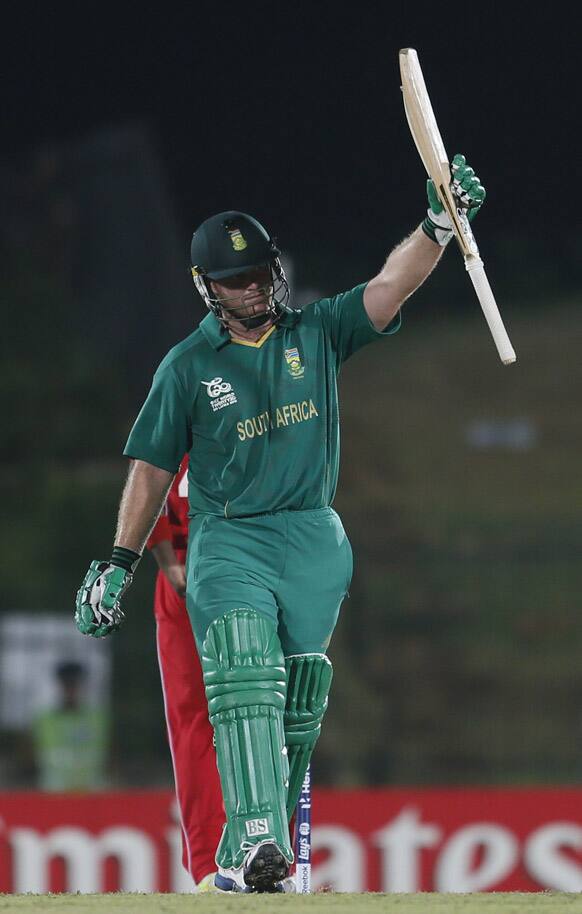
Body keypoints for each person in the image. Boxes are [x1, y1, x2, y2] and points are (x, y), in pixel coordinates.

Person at [75, 154, 485, 892]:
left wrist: (438, 226)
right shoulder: (187, 366)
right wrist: (117, 558)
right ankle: (260, 836)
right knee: (243, 673)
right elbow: (150, 469)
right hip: (230, 537)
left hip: (313, 538)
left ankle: (251, 859)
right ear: (207, 288)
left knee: (298, 699)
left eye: (261, 272)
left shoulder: (319, 332)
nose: (255, 287)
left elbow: (391, 288)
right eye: (237, 280)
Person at [146, 454, 224, 891]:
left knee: (194, 720)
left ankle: (211, 867)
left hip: (185, 570)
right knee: (268, 711)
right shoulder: (267, 399)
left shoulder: (173, 401)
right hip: (249, 571)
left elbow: (147, 478)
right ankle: (267, 851)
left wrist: (166, 560)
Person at [32, 660, 109, 791]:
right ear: (59, 686)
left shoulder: (98, 719)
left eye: (74, 684)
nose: (71, 690)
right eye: (67, 685)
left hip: (92, 793)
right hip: (55, 793)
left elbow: (111, 755)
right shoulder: (45, 720)